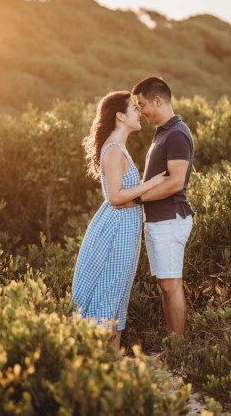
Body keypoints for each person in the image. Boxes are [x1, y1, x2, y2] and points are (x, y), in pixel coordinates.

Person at [71, 91, 167, 350]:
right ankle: (101, 363)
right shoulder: (113, 150)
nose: (139, 113)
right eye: (134, 109)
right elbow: (114, 196)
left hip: (124, 227)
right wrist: (150, 185)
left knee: (117, 293)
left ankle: (111, 365)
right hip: (115, 229)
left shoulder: (118, 147)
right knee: (110, 291)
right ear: (121, 116)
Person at [131, 77, 194, 337]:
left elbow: (176, 182)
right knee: (165, 285)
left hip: (170, 219)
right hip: (159, 220)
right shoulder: (164, 132)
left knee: (171, 285)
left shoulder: (177, 133)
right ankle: (172, 346)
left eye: (142, 104)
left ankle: (178, 349)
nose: (140, 111)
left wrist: (137, 199)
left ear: (158, 100)